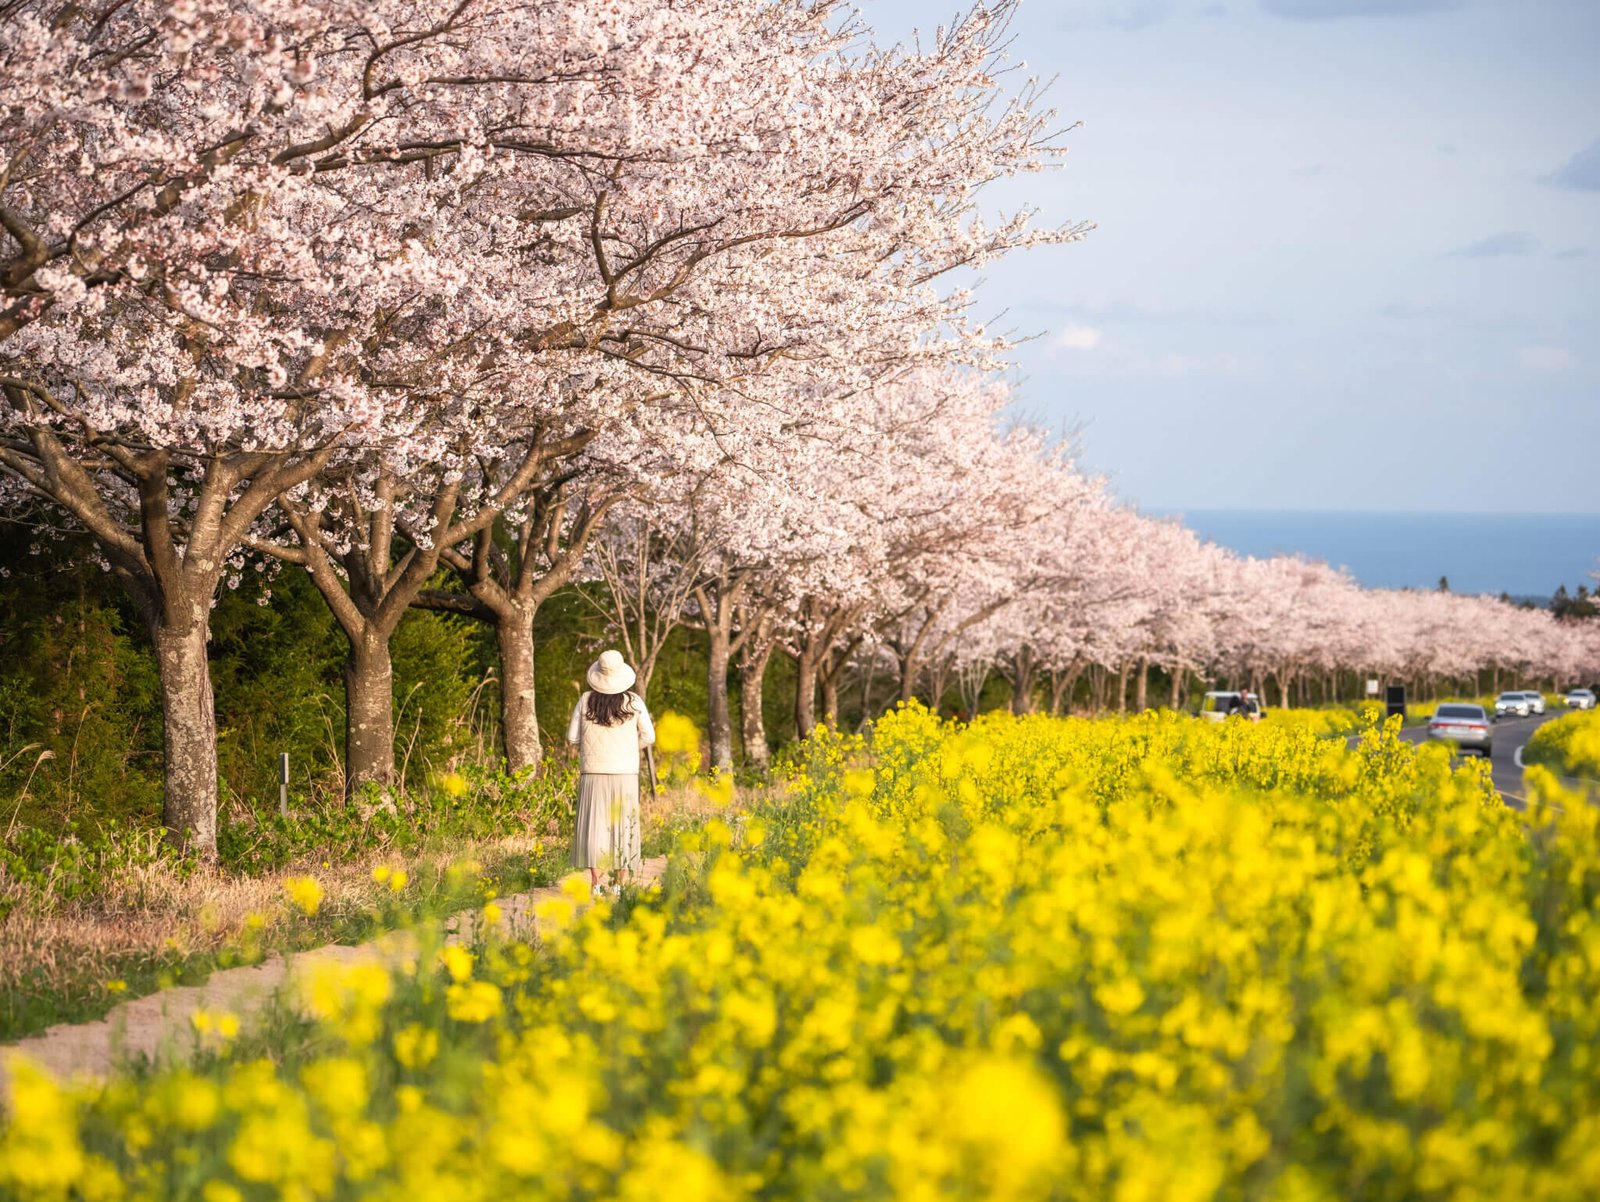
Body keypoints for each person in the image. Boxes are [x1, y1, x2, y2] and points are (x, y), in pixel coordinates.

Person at [566, 650, 655, 895]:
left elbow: (572, 737)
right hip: (625, 774)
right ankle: (619, 884)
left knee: (594, 826)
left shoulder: (585, 700)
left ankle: (596, 883)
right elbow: (649, 736)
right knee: (622, 826)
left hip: (593, 773)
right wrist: (629, 748)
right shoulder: (634, 701)